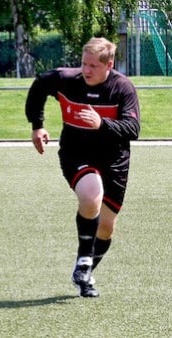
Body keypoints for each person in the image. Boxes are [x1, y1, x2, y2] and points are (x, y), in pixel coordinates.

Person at [25, 37, 140, 298]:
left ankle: (84, 271)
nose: (86, 70)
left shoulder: (123, 89)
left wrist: (102, 124)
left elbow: (133, 129)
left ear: (109, 64)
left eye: (93, 66)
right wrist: (38, 125)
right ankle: (85, 262)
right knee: (91, 195)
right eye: (83, 64)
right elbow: (39, 87)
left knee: (107, 227)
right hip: (77, 153)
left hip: (114, 160)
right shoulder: (66, 79)